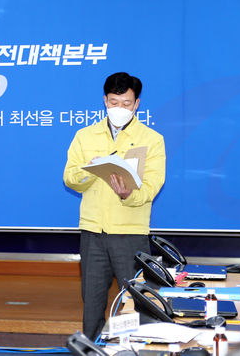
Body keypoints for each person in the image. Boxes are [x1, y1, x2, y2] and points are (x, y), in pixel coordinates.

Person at [63, 72, 166, 340]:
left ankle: (135, 348)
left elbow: (152, 186)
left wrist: (128, 194)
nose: (119, 108)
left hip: (130, 233)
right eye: (113, 102)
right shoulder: (85, 135)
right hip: (93, 232)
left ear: (137, 104)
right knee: (92, 302)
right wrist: (90, 171)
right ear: (105, 101)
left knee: (137, 302)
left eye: (126, 103)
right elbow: (70, 178)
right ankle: (92, 348)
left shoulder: (151, 139)